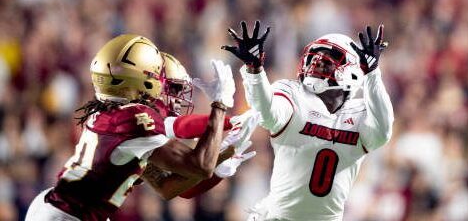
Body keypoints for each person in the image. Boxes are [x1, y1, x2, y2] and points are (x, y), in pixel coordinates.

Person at [25, 34, 236, 221]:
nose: (177, 99)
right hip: (69, 214)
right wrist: (220, 104)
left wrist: (225, 152)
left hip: (62, 208)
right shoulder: (136, 118)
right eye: (171, 87)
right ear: (144, 82)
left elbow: (166, 187)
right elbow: (201, 165)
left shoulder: (118, 114)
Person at [222, 21, 395, 221]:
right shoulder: (295, 95)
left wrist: (373, 73)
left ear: (354, 70)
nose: (316, 64)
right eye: (314, 58)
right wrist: (255, 71)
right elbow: (267, 112)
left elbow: (383, 132)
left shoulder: (359, 113)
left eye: (328, 60)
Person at [142, 52, 259, 199]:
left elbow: (169, 188)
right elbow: (179, 127)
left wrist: (219, 169)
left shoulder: (138, 127)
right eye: (173, 89)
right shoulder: (131, 121)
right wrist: (223, 109)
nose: (177, 99)